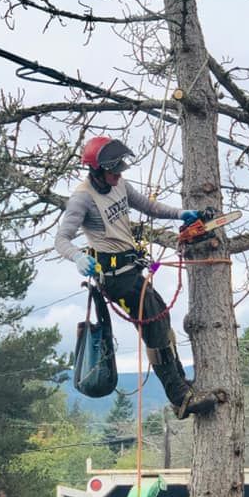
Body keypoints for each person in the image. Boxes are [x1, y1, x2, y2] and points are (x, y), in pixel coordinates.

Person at [55, 135, 220, 419]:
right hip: (116, 278)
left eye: (120, 171)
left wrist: (184, 214)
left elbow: (150, 207)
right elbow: (62, 239)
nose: (118, 176)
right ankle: (180, 397)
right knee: (155, 329)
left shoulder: (119, 186)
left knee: (162, 322)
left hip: (132, 271)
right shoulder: (83, 198)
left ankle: (180, 384)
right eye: (113, 171)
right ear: (96, 170)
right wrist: (79, 257)